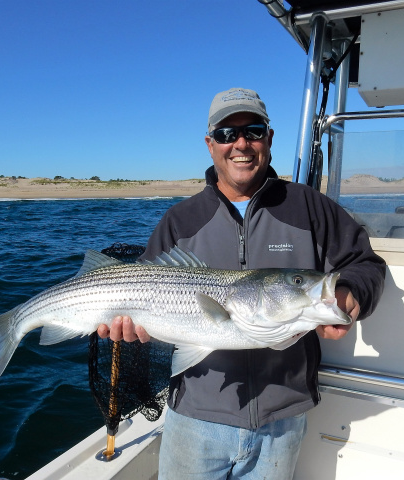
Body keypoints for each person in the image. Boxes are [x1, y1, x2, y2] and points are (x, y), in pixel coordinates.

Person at [97, 87, 386, 479]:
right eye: (226, 134)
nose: (241, 144)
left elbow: (365, 263)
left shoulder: (309, 206)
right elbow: (142, 289)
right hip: (195, 418)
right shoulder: (180, 220)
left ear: (269, 138)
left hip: (283, 419)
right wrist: (126, 327)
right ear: (210, 144)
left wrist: (351, 293)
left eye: (252, 130)